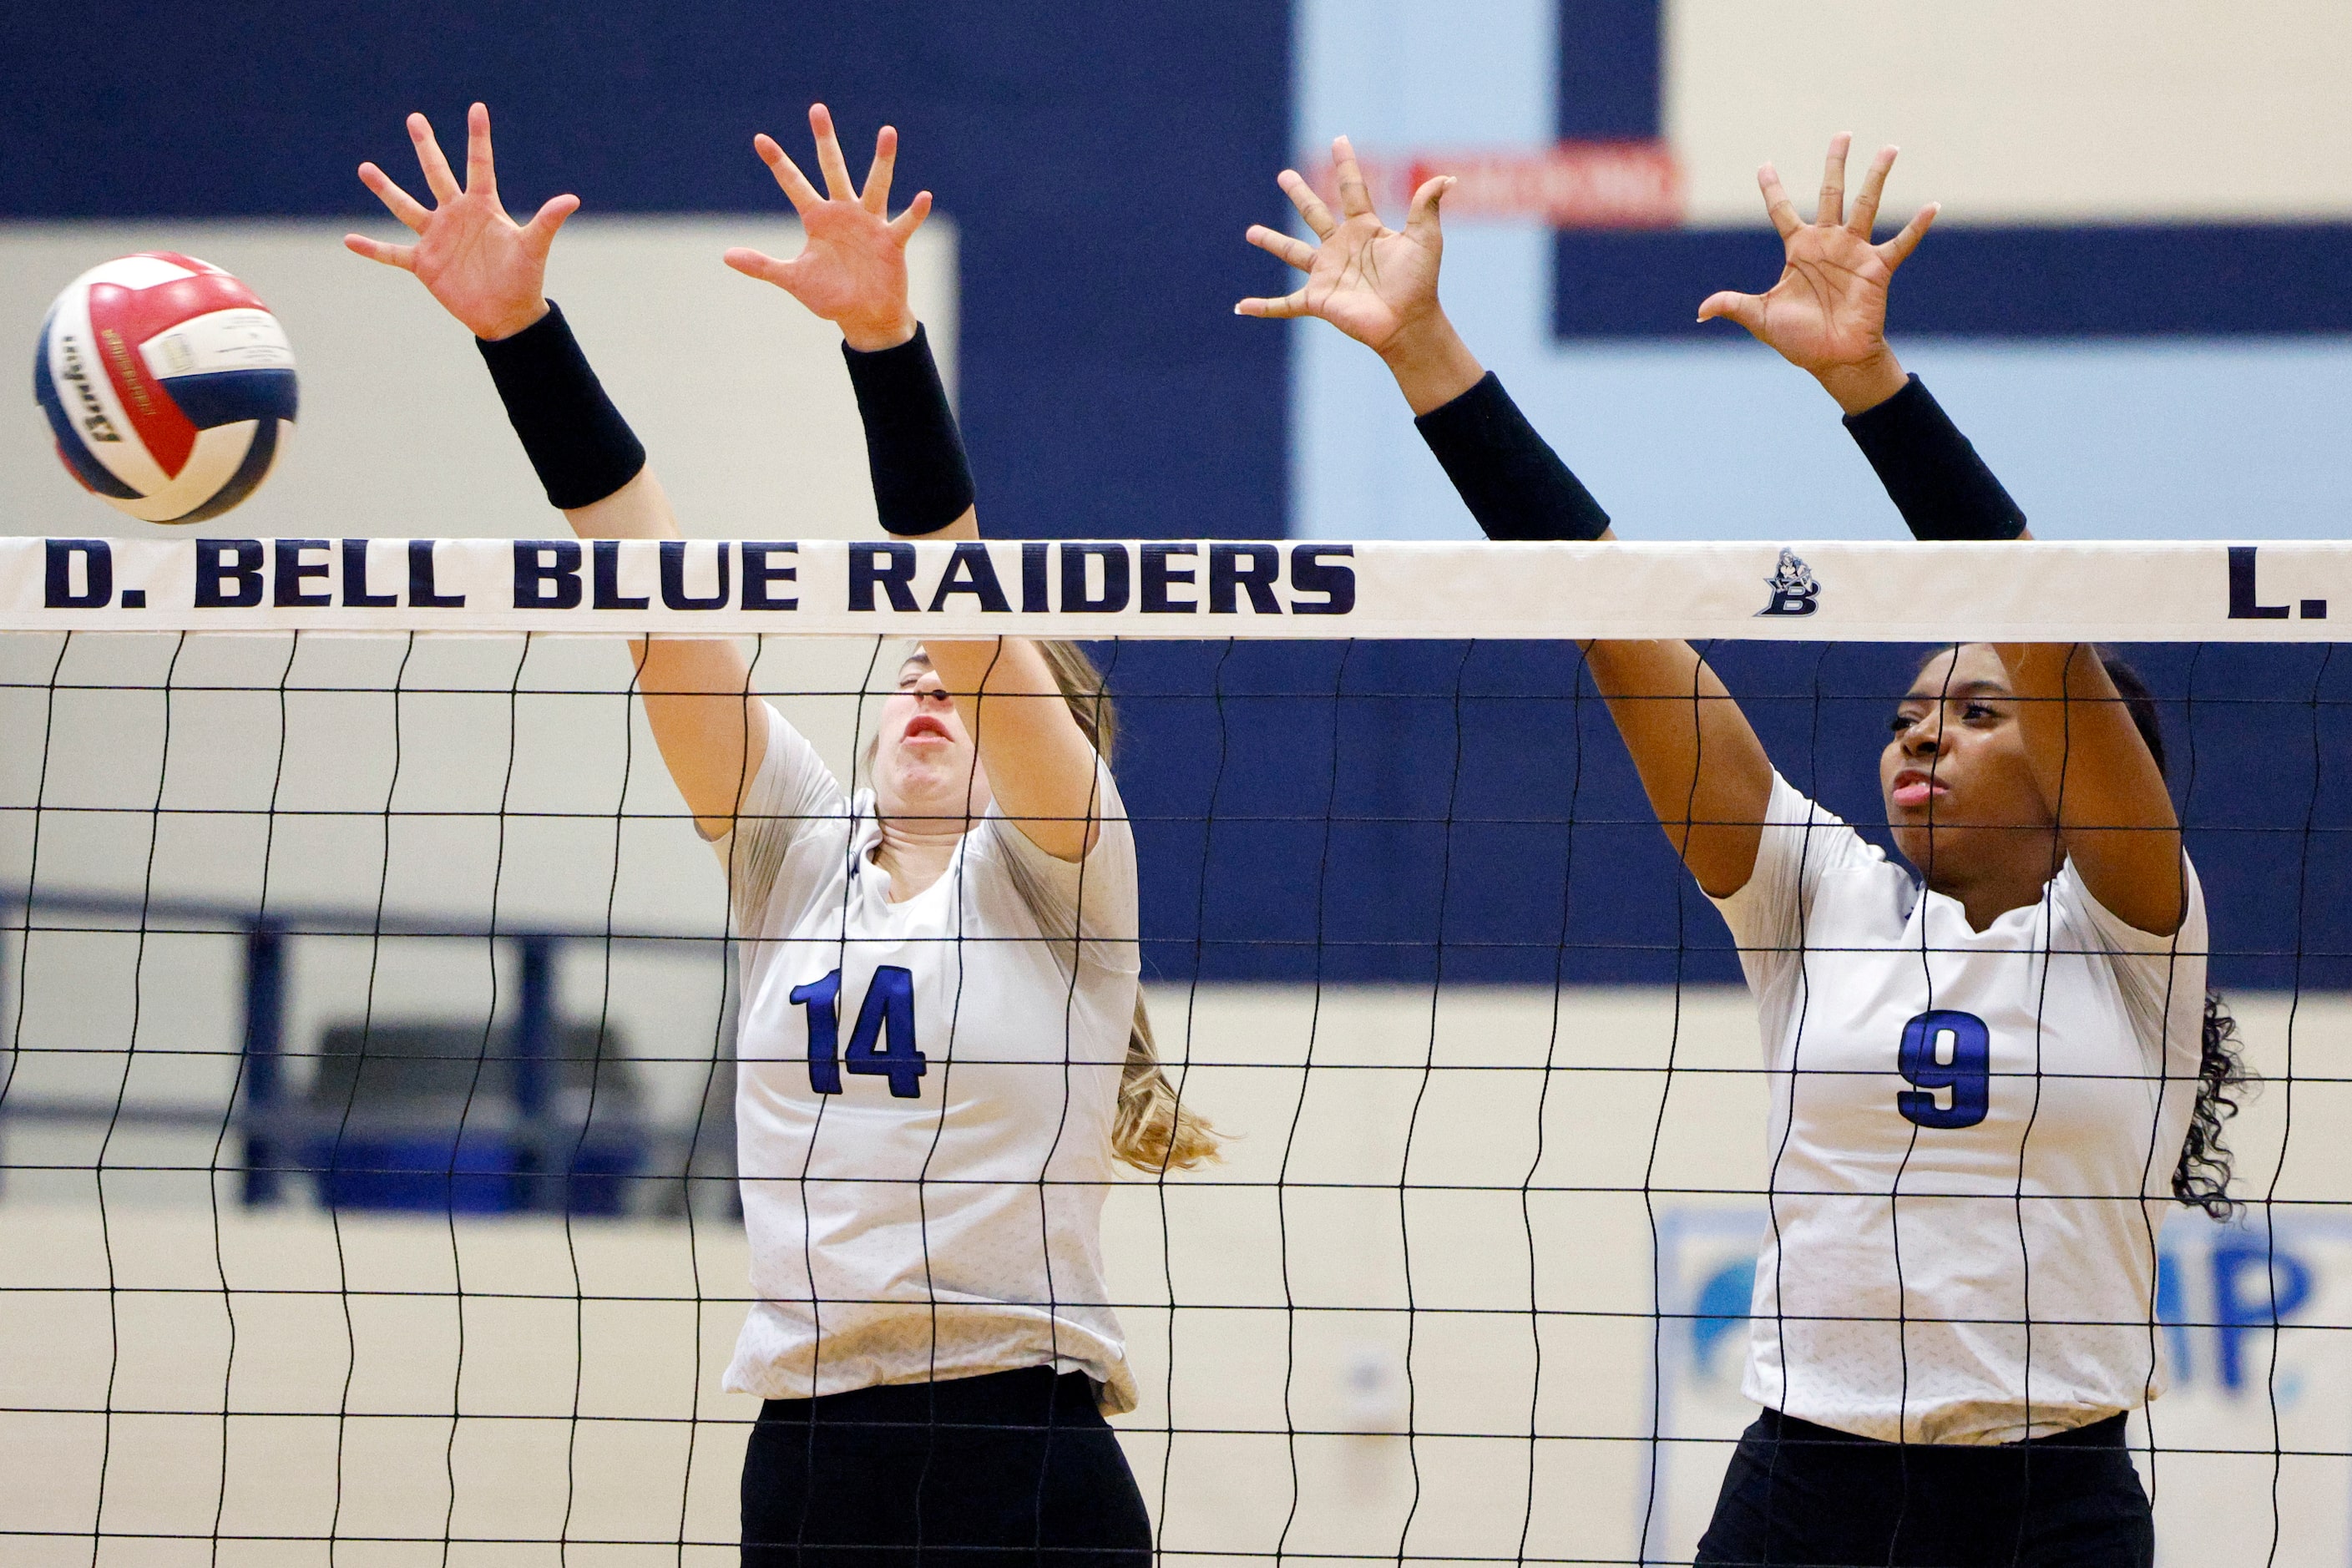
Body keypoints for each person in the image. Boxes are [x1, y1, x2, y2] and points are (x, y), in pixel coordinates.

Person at [1242, 133, 2248, 1567]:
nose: (1920, 738)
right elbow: (1612, 611)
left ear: (2083, 768)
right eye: (1908, 713)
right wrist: (1425, 355)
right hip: (1805, 1491)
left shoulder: (2135, 932)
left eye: (1975, 711)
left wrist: (1867, 386)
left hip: (2049, 1504)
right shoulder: (1816, 898)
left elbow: (2033, 609)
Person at [348, 101, 1216, 1568]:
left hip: (1024, 1454)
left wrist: (883, 343)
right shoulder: (796, 854)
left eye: (961, 682)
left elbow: (966, 611)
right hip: (811, 1456)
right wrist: (519, 333)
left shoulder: (1066, 878)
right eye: (903, 674)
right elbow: (661, 602)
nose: (926, 683)